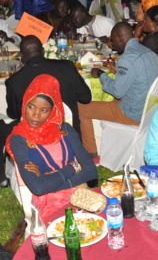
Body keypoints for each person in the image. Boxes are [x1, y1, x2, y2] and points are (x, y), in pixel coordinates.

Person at [0, 35, 92, 191]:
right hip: (69, 131)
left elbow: (15, 115)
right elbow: (86, 98)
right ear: (43, 51)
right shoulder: (67, 66)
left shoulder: (15, 80)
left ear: (22, 57)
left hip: (39, 138)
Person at [6, 75, 97, 220]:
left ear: (53, 111)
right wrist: (74, 168)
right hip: (49, 203)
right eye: (31, 107)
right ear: (24, 105)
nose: (35, 115)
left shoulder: (65, 130)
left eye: (44, 110)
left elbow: (92, 171)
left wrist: (50, 179)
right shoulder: (19, 139)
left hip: (81, 196)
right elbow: (39, 188)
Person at [79, 23, 158, 157]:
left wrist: (101, 74)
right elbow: (139, 77)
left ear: (119, 39)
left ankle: (91, 154)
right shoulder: (149, 52)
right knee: (112, 99)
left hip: (133, 115)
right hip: (150, 111)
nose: (112, 44)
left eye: (112, 40)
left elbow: (118, 91)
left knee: (82, 108)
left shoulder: (126, 58)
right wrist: (117, 71)